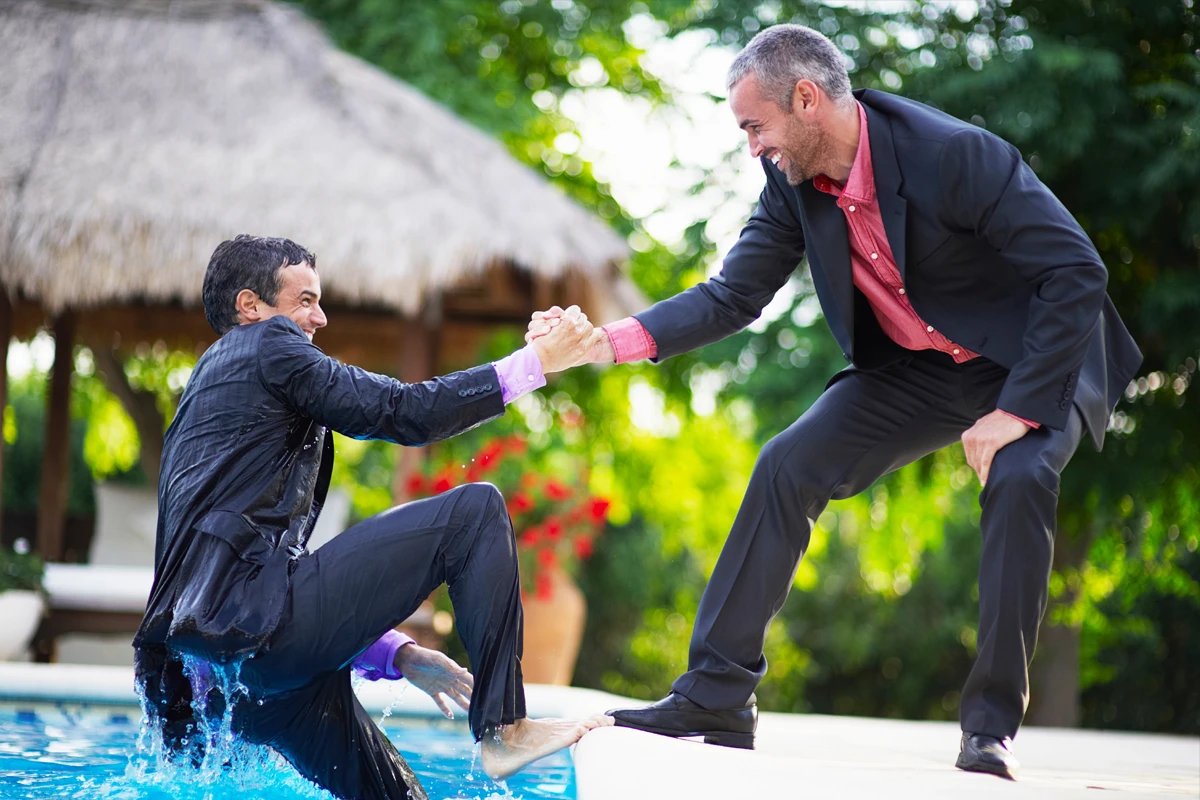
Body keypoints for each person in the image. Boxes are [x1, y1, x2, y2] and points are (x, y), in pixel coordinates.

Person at [528, 24, 1141, 781]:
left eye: (755, 125)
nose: (751, 145)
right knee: (791, 461)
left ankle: (990, 729)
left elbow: (1076, 271)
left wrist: (1016, 411)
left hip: (1037, 357)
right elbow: (732, 295)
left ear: (807, 99)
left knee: (1018, 479)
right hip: (921, 366)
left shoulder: (954, 154)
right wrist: (605, 342)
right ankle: (718, 697)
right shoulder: (790, 184)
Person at [133, 235, 612, 800]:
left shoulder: (207, 397)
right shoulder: (268, 345)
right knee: (475, 512)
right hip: (257, 648)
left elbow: (253, 577)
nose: (320, 316)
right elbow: (401, 411)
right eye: (305, 300)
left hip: (230, 686)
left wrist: (394, 653)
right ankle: (503, 728)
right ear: (250, 306)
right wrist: (536, 363)